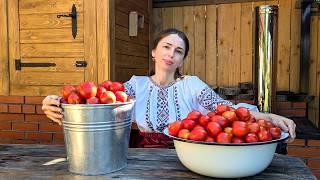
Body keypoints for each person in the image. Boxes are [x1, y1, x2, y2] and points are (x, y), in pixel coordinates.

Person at [42, 28, 296, 148]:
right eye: (166, 47)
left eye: (178, 51)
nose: (171, 54)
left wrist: (269, 116)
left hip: (186, 158)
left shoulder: (191, 86)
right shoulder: (135, 86)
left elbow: (228, 110)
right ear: (154, 52)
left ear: (182, 59)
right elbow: (95, 103)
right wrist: (57, 101)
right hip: (140, 160)